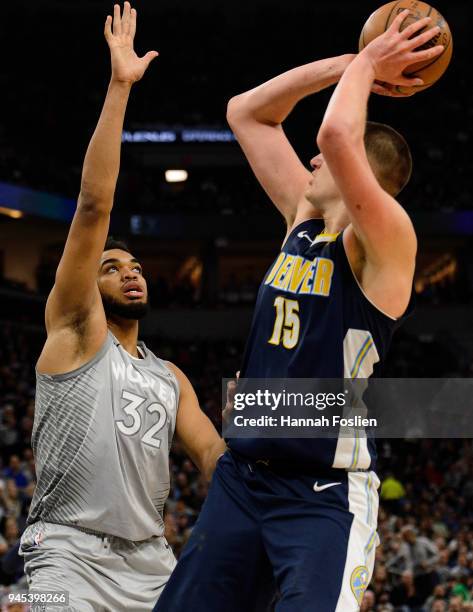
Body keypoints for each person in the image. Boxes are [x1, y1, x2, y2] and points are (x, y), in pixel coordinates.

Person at [155, 10, 444, 612]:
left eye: (323, 163)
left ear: (362, 175)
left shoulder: (388, 242)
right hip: (244, 476)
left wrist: (369, 67)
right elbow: (247, 113)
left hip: (322, 493)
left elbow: (335, 138)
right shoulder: (303, 222)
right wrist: (352, 64)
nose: (310, 162)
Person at [19, 3, 225, 610]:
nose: (129, 273)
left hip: (152, 561)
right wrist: (119, 87)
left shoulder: (172, 378)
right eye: (112, 267)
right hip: (65, 553)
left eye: (135, 266)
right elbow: (92, 207)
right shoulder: (75, 329)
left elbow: (213, 454)